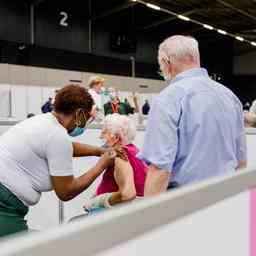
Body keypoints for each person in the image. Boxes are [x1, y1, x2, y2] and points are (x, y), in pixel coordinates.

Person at [0, 85, 116, 237]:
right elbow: (66, 192)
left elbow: (64, 147)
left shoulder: (44, 122)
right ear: (79, 113)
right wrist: (101, 165)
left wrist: (98, 151)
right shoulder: (57, 135)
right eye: (86, 118)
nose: (85, 124)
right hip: (4, 207)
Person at [138, 35, 247, 196]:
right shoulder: (230, 97)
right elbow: (241, 162)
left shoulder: (167, 99)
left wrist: (146, 218)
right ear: (196, 58)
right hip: (225, 198)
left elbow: (160, 170)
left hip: (185, 203)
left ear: (166, 62)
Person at [83, 114, 148, 212]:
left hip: (115, 211)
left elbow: (127, 194)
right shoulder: (134, 151)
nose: (100, 136)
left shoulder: (120, 155)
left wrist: (96, 202)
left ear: (116, 138)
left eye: (104, 132)